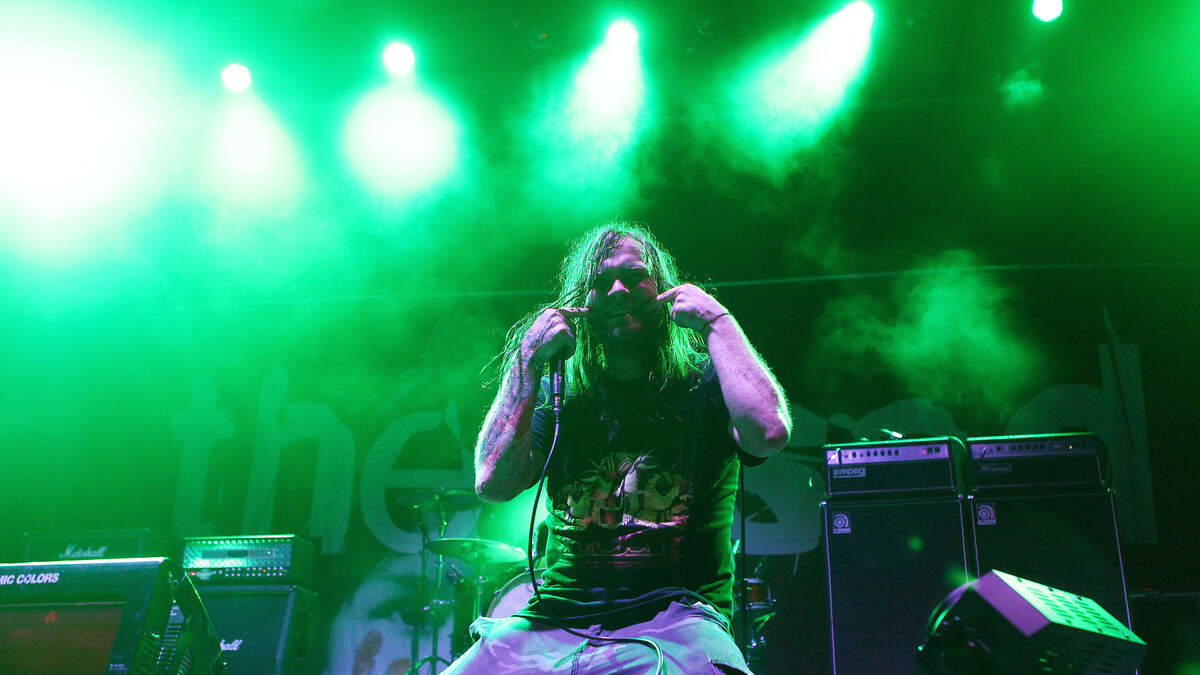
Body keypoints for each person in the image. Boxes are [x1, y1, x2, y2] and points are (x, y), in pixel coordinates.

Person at [445, 223, 791, 674]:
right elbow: (492, 483)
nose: (618, 291)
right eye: (601, 280)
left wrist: (717, 322)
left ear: (664, 287)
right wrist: (527, 358)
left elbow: (769, 432)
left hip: (678, 616)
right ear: (580, 301)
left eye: (634, 276)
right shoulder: (559, 393)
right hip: (555, 617)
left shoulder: (706, 382)